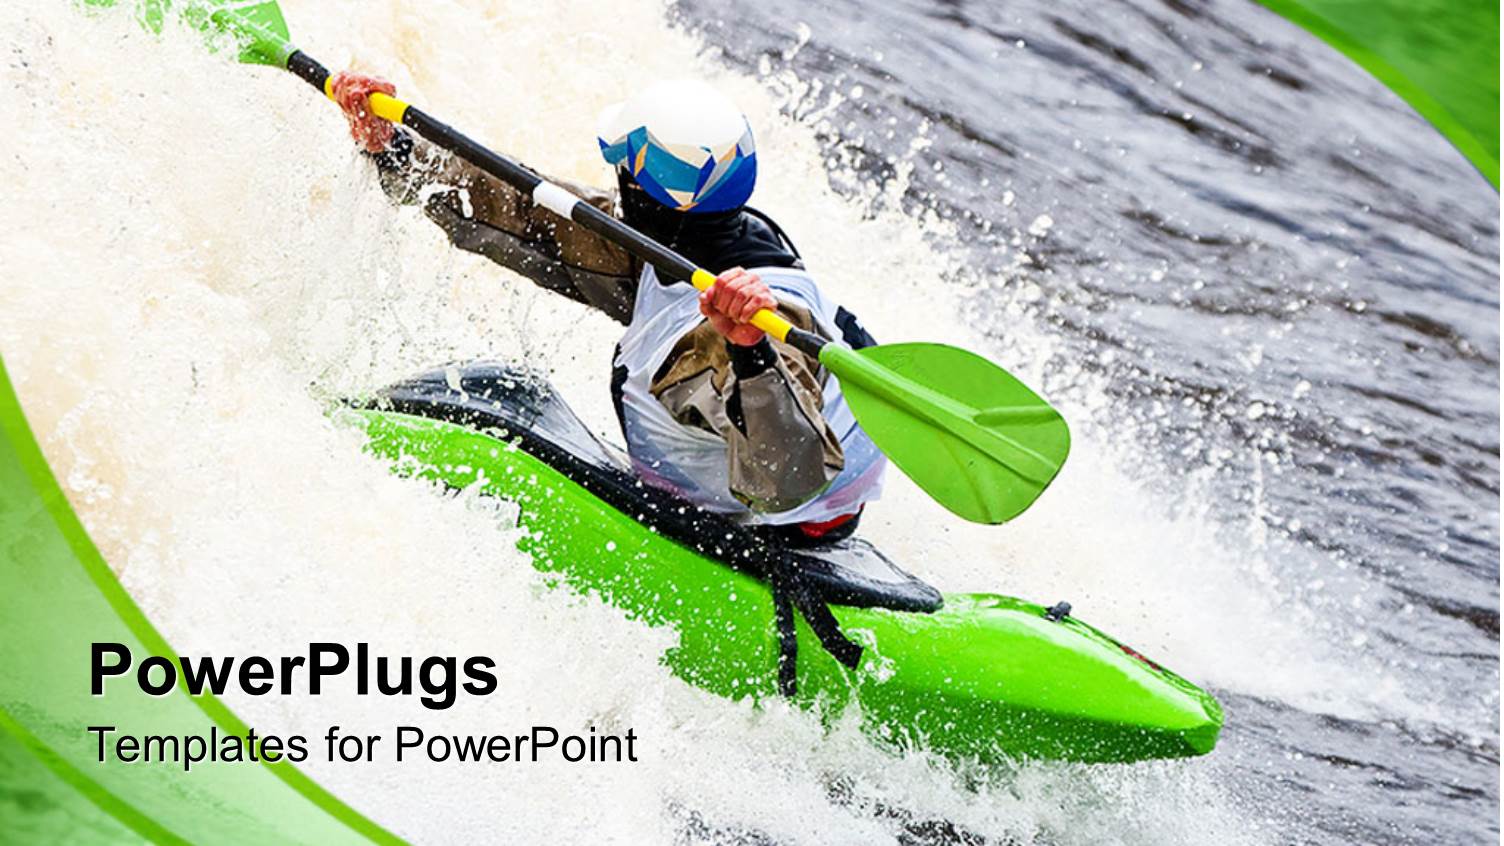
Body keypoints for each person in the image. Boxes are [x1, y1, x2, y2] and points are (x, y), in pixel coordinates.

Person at [330, 73, 885, 545]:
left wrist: (748, 352)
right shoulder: (685, 240)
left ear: (643, 193)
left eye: (624, 172)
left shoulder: (713, 338)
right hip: (796, 450)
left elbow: (787, 477)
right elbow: (526, 214)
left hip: (794, 517)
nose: (616, 187)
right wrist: (396, 147)